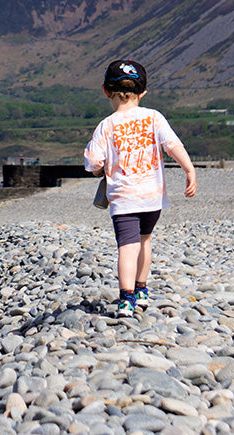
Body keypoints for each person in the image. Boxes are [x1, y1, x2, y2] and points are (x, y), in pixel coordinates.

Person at [84, 58, 197, 317]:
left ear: (105, 91)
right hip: (152, 197)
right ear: (142, 92)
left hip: (124, 198)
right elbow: (173, 146)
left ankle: (126, 300)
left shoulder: (107, 125)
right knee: (144, 240)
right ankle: (141, 290)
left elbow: (93, 163)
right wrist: (189, 170)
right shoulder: (154, 117)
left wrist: (101, 168)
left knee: (127, 246)